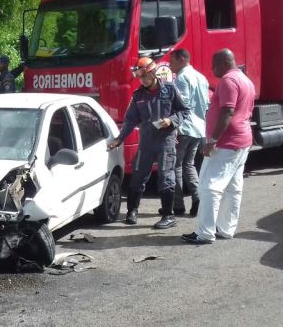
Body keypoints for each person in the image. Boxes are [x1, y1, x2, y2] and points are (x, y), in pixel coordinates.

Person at [182, 49, 256, 244]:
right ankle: (225, 229)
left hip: (226, 142)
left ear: (224, 62)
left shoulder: (228, 81)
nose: (212, 69)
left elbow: (228, 112)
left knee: (209, 187)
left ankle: (205, 233)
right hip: (241, 140)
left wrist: (213, 140)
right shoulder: (245, 80)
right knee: (233, 188)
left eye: (214, 65)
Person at [107, 57, 190, 229]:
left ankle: (168, 215)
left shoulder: (169, 89)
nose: (142, 80)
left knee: (166, 177)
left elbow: (184, 111)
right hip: (146, 142)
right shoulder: (138, 96)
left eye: (145, 76)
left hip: (165, 142)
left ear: (153, 73)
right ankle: (132, 211)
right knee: (138, 175)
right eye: (140, 77)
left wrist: (171, 120)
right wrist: (119, 139)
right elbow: (130, 121)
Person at [169, 49, 210, 217]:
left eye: (172, 61)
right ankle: (197, 199)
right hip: (198, 128)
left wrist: (175, 128)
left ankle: (178, 206)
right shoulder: (201, 77)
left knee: (176, 166)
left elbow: (181, 105)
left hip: (184, 128)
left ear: (181, 59)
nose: (170, 65)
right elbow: (206, 104)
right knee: (189, 164)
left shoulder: (182, 78)